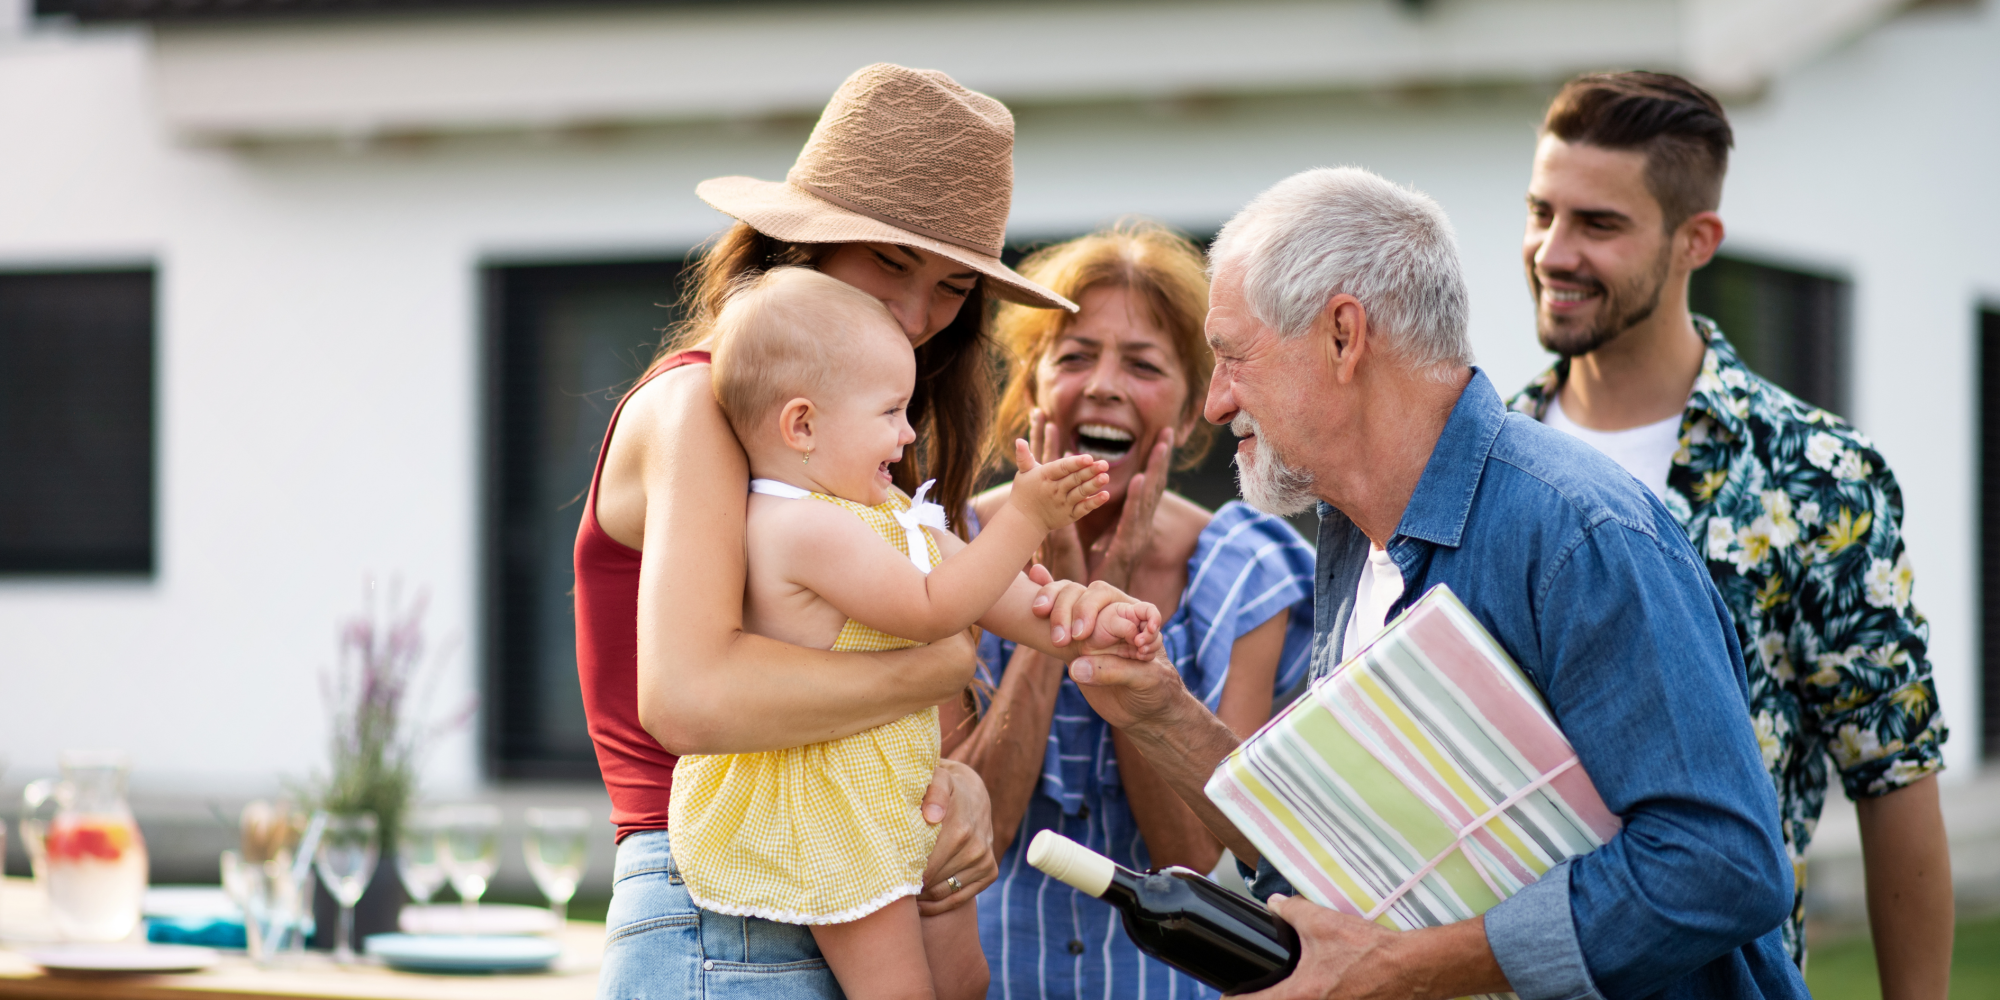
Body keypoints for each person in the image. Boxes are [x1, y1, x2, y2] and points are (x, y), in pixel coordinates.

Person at [1057, 166, 1812, 999]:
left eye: (1234, 356)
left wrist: (1398, 971)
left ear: (1344, 335)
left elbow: (1720, 865)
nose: (1215, 402)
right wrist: (1156, 709)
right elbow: (1345, 853)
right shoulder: (1350, 533)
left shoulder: (1579, 534)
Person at [573, 64, 1136, 999]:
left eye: (954, 288)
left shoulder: (855, 452)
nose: (915, 317)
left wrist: (953, 781)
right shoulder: (699, 405)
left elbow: (871, 709)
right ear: (798, 241)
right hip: (720, 901)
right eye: (889, 262)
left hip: (833, 879)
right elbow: (689, 697)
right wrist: (933, 666)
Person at [1504, 72, 1951, 992]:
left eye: (1599, 223)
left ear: (1694, 240)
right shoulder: (1487, 466)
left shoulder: (1817, 477)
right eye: (1541, 211)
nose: (1553, 251)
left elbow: (1894, 779)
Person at [669, 266, 1162, 1000]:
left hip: (891, 786)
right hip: (831, 810)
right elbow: (936, 605)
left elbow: (992, 592)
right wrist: (1024, 518)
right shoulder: (797, 527)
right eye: (891, 412)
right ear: (801, 424)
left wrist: (1081, 616)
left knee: (966, 980)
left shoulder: (874, 508)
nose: (907, 432)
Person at [946, 221, 1317, 998]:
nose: (1105, 385)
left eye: (1143, 365)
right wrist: (1061, 616)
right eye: (1075, 357)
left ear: (1188, 414)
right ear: (1032, 393)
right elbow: (973, 832)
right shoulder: (949, 548)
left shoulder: (1249, 568)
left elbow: (1202, 852)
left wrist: (1119, 606)